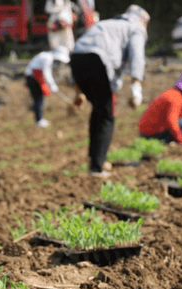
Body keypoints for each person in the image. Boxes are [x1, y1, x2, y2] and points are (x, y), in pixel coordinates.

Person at [69, 4, 149, 177]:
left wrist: (78, 90)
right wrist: (136, 87)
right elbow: (137, 57)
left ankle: (95, 160)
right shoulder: (136, 28)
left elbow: (80, 50)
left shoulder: (106, 24)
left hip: (76, 59)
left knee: (98, 111)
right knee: (107, 115)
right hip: (98, 62)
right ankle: (96, 168)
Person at [139, 72, 182, 146]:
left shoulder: (174, 93)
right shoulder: (176, 98)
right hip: (151, 133)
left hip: (147, 131)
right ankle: (165, 141)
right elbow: (171, 121)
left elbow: (181, 115)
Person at [24, 46, 71, 128]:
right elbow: (47, 73)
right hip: (33, 78)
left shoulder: (46, 56)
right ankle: (39, 120)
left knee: (40, 99)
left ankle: (39, 118)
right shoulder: (47, 58)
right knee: (39, 99)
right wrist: (52, 85)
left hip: (35, 77)